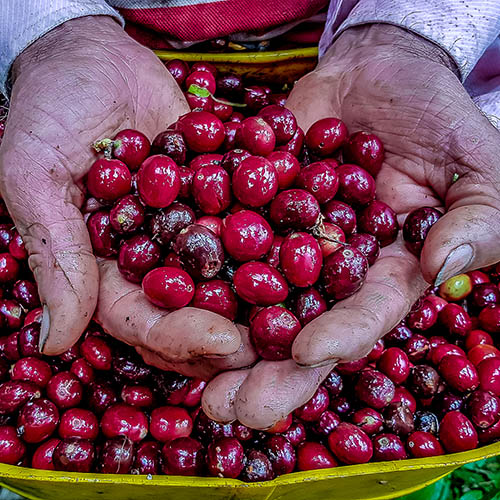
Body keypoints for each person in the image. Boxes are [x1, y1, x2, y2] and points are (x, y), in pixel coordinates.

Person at [0, 1, 499, 430]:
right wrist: (51, 30)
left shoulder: (295, 211)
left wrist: (408, 34)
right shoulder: (190, 200)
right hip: (122, 51)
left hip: (334, 43)